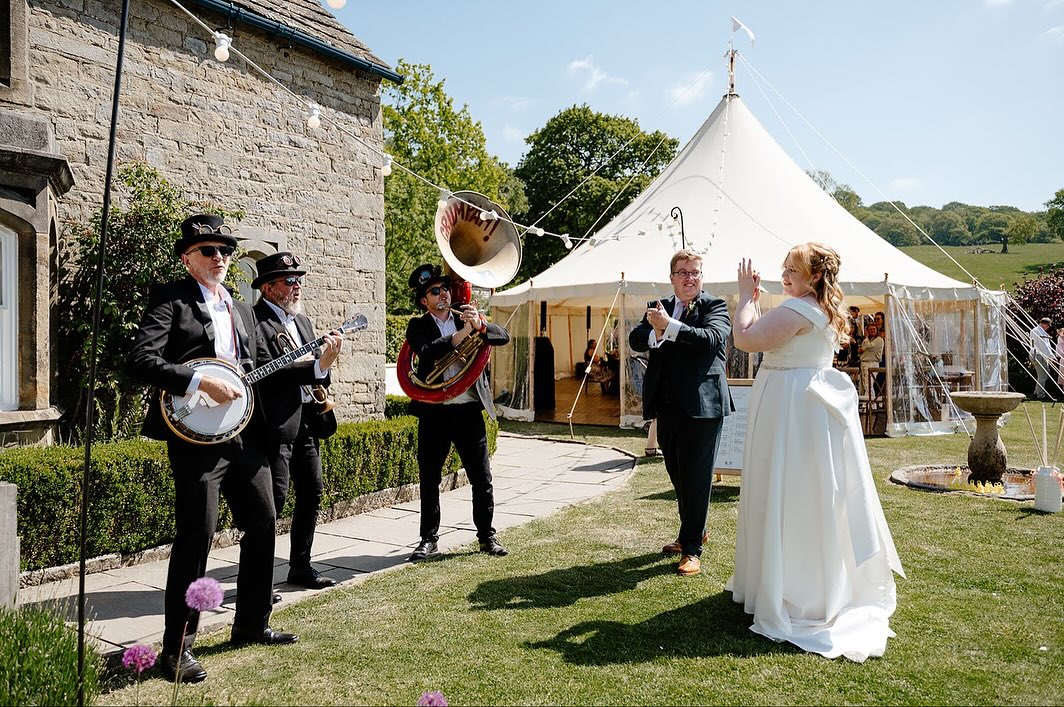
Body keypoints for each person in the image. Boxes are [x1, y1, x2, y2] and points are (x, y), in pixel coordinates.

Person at [127, 215, 309, 683]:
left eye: (225, 251)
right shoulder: (172, 299)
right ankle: (177, 649)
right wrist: (196, 380)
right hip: (194, 437)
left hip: (244, 434)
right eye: (208, 251)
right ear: (187, 258)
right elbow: (142, 360)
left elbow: (258, 368)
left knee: (264, 520)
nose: (219, 259)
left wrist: (317, 367)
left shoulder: (244, 309)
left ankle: (251, 623)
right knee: (196, 538)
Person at [728, 242, 905, 662]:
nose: (785, 274)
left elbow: (745, 340)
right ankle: (807, 582)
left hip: (792, 407)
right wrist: (754, 300)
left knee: (788, 490)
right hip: (803, 407)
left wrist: (744, 298)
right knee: (811, 492)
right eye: (784, 267)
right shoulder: (819, 310)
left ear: (814, 277)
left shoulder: (795, 311)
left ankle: (793, 590)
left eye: (793, 269)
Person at [629, 249, 731, 577]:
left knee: (697, 478)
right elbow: (635, 338)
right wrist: (657, 330)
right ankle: (693, 531)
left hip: (704, 406)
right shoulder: (658, 307)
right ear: (672, 277)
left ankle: (691, 549)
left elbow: (710, 338)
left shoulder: (715, 306)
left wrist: (669, 326)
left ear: (702, 277)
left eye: (695, 272)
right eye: (683, 272)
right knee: (676, 474)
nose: (690, 278)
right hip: (668, 406)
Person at [405, 264, 511, 561]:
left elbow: (502, 337)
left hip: (467, 410)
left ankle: (486, 537)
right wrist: (460, 335)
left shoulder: (466, 315)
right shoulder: (418, 325)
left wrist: (479, 326)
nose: (443, 294)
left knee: (482, 477)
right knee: (429, 478)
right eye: (435, 291)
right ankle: (428, 539)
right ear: (424, 300)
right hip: (434, 412)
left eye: (445, 288)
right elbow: (426, 351)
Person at [252, 252, 344, 592]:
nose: (297, 286)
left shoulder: (302, 322)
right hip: (275, 424)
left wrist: (325, 366)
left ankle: (300, 567)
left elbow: (316, 371)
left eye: (299, 280)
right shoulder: (255, 321)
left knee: (312, 492)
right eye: (290, 281)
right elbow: (269, 373)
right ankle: (259, 583)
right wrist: (319, 366)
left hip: (307, 421)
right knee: (271, 503)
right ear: (268, 287)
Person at [1029, 317, 1054, 400]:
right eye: (1048, 325)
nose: (1048, 327)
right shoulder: (1038, 332)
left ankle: (1037, 392)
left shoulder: (1037, 331)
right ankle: (1040, 394)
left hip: (1038, 355)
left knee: (1043, 374)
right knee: (1042, 376)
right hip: (1039, 355)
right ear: (1044, 324)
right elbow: (1044, 346)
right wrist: (1051, 356)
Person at [857, 323, 884, 395]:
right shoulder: (867, 340)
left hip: (872, 363)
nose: (872, 331)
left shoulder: (879, 340)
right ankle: (869, 403)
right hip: (864, 363)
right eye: (870, 329)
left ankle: (870, 403)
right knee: (865, 385)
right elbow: (861, 351)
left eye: (874, 329)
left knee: (868, 385)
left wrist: (866, 338)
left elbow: (869, 347)